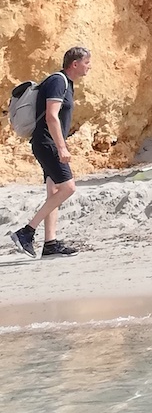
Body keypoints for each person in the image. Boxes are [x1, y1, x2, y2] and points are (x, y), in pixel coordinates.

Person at [10, 46, 91, 259]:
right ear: (75, 64)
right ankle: (26, 232)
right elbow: (51, 117)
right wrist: (61, 147)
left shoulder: (65, 83)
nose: (88, 67)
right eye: (87, 63)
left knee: (54, 192)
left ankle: (50, 244)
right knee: (68, 188)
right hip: (47, 143)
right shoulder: (58, 81)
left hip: (47, 143)